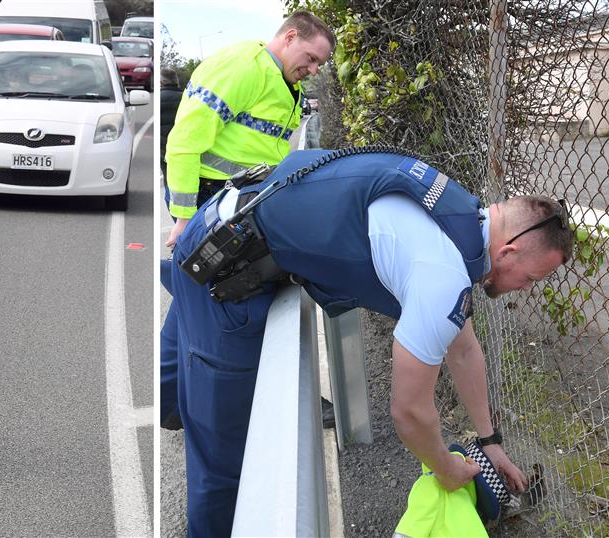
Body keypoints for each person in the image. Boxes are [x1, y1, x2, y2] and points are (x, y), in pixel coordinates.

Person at [160, 148, 565, 537]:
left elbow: (463, 349)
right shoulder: (441, 274)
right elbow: (409, 412)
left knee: (179, 386)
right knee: (225, 459)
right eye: (530, 279)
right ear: (509, 251)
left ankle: (176, 401)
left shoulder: (458, 212)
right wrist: (445, 468)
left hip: (225, 223)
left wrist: (488, 441)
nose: (524, 289)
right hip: (222, 276)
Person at [160, 11, 334, 430]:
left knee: (195, 302)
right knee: (240, 301)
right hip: (211, 203)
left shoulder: (279, 80)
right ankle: (284, 395)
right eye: (310, 58)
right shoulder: (241, 67)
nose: (311, 71)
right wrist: (184, 220)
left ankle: (169, 401)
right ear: (290, 36)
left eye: (318, 67)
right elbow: (184, 141)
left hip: (236, 204)